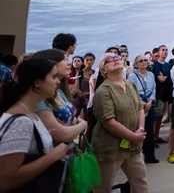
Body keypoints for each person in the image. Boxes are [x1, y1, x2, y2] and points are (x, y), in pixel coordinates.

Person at [0, 57, 69, 192]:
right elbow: (6, 180)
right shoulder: (21, 121)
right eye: (54, 76)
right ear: (37, 82)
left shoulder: (29, 113)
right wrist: (55, 154)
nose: (57, 81)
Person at [92, 52, 148, 192]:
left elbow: (139, 107)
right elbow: (108, 121)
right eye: (109, 60)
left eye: (117, 58)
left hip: (133, 146)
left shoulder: (131, 85)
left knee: (140, 183)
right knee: (104, 187)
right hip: (110, 148)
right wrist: (133, 137)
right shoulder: (103, 91)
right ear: (104, 70)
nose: (115, 60)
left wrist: (140, 130)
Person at [33, 49, 87, 193]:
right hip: (52, 162)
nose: (69, 63)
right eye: (64, 59)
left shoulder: (59, 92)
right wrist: (83, 124)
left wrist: (76, 124)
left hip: (68, 157)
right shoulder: (41, 98)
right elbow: (62, 134)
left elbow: (74, 118)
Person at [128, 54, 159, 164]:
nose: (144, 62)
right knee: (139, 129)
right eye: (141, 61)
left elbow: (154, 89)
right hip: (138, 105)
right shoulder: (132, 76)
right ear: (136, 64)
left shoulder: (151, 75)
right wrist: (142, 104)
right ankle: (138, 155)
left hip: (150, 104)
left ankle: (150, 156)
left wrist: (150, 102)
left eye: (145, 60)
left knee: (150, 130)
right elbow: (132, 92)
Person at [152, 45, 170, 144]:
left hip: (166, 95)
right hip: (158, 95)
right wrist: (167, 78)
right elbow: (161, 79)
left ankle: (156, 136)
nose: (165, 52)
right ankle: (153, 138)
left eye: (166, 50)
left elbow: (170, 79)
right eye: (163, 50)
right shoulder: (156, 65)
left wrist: (166, 77)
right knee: (156, 117)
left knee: (160, 117)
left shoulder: (167, 65)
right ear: (158, 52)